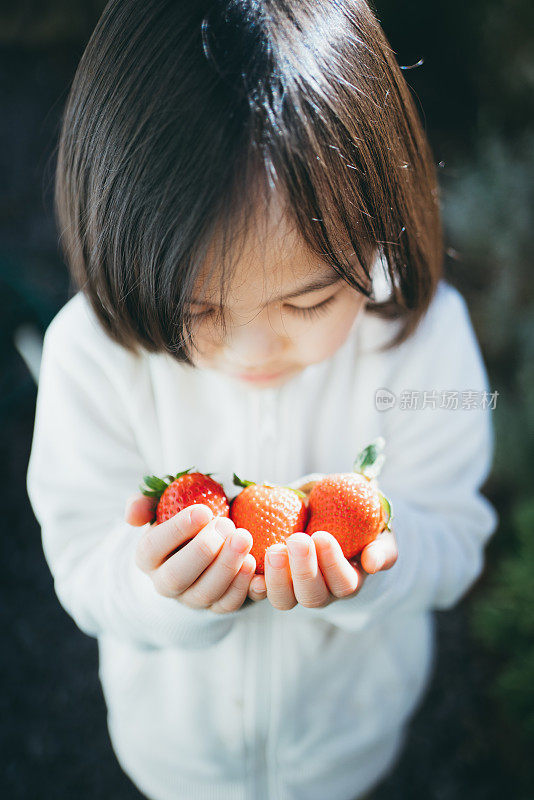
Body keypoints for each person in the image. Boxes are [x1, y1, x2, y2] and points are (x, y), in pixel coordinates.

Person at [26, 1, 498, 798]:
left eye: (309, 303)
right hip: (176, 757)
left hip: (348, 744)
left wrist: (379, 564)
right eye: (195, 311)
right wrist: (161, 589)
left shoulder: (421, 343)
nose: (252, 352)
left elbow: (455, 539)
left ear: (382, 221)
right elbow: (81, 565)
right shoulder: (92, 357)